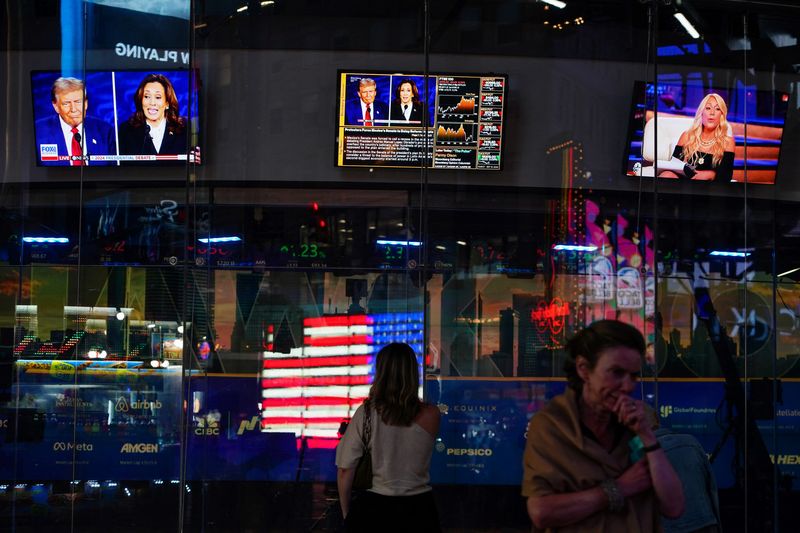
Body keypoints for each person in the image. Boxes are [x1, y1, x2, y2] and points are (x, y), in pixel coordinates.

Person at [522, 320, 684, 532]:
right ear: (584, 369)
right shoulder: (552, 426)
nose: (627, 386)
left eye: (634, 376)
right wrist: (619, 489)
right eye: (616, 373)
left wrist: (647, 437)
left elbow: (673, 507)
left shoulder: (639, 419)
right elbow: (542, 512)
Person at [335, 342, 441, 532]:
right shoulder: (431, 415)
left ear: (381, 372)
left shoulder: (366, 413)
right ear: (412, 373)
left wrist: (346, 513)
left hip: (374, 509)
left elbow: (345, 469)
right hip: (420, 510)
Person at [34, 77, 116, 166]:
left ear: (86, 103)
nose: (73, 109)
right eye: (66, 103)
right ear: (56, 106)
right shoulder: (38, 132)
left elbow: (113, 172)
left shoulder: (105, 130)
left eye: (78, 102)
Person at [659, 93, 735, 181]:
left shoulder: (727, 142)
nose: (712, 113)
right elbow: (674, 167)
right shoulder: (686, 136)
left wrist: (711, 174)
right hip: (685, 183)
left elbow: (727, 176)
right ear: (701, 112)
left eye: (717, 109)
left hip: (710, 188)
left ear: (721, 115)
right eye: (708, 108)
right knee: (667, 174)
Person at [118, 73, 188, 157]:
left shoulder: (184, 128)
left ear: (167, 103)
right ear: (141, 100)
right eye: (147, 96)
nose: (152, 103)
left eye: (158, 97)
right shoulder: (126, 130)